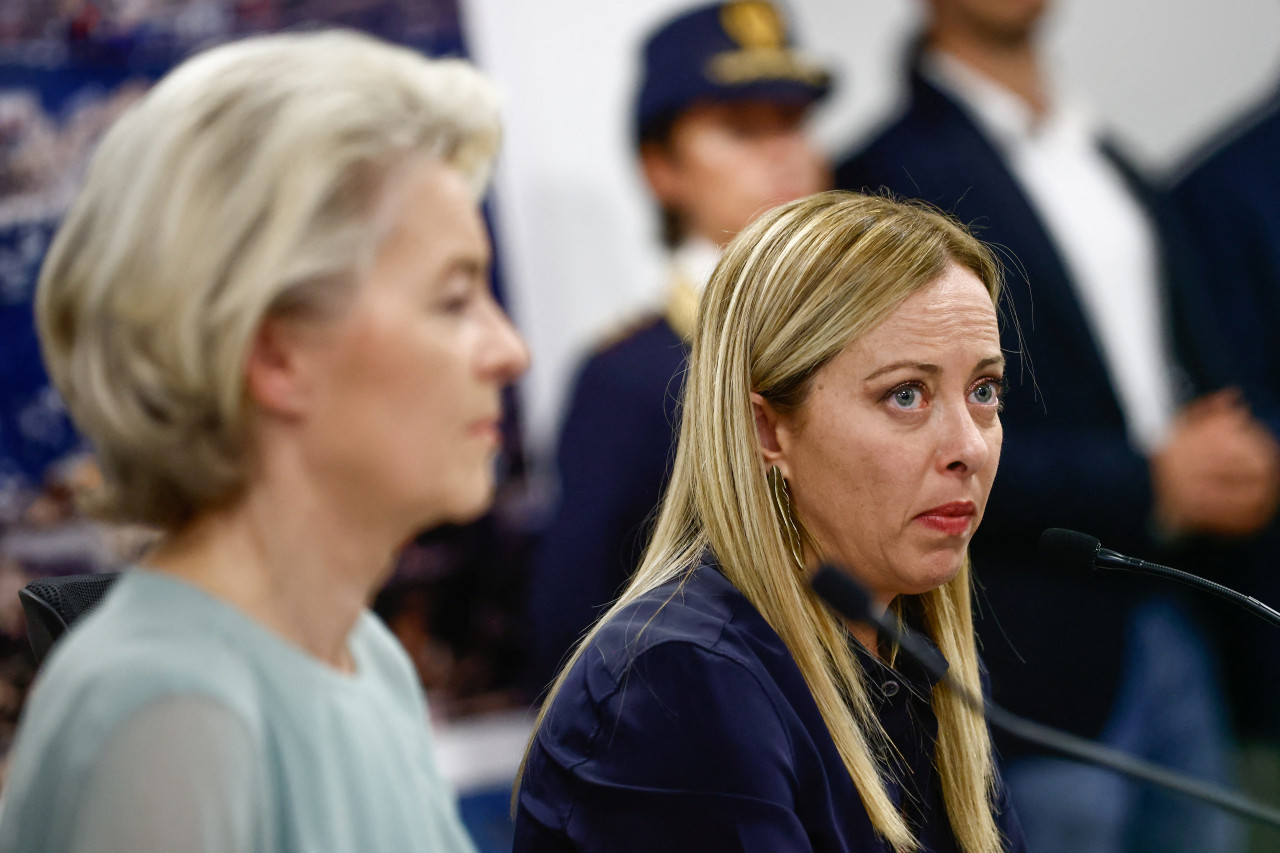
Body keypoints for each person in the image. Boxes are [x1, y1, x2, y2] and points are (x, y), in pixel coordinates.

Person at [0, 30, 529, 853]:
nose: (509, 350)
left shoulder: (364, 656)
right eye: (454, 299)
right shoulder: (165, 713)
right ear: (276, 352)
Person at [835, 2, 1279, 850]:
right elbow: (902, 447)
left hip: (1174, 614)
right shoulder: (885, 175)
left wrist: (1236, 447)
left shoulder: (1107, 157)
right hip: (1029, 657)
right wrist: (1150, 480)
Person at [516, 192, 1025, 853]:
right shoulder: (681, 683)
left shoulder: (922, 657)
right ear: (767, 429)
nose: (971, 446)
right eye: (906, 395)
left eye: (984, 391)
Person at [526, 0, 831, 690]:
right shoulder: (627, 378)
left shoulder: (875, 333)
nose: (783, 151)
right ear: (661, 168)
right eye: (741, 128)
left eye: (793, 121)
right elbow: (575, 633)